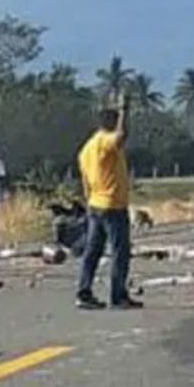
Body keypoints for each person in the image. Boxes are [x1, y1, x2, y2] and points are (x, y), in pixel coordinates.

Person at [76, 93, 141, 310]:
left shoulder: (86, 149)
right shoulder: (105, 142)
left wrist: (89, 202)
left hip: (95, 205)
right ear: (112, 123)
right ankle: (118, 296)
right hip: (113, 205)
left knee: (92, 252)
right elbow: (121, 136)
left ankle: (84, 292)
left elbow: (85, 182)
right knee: (120, 252)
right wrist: (124, 110)